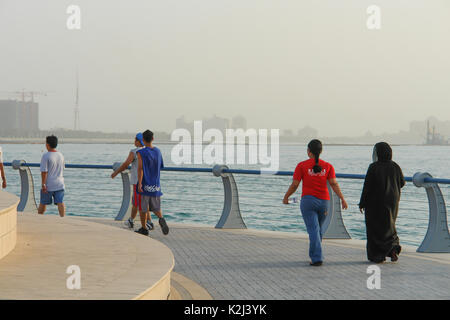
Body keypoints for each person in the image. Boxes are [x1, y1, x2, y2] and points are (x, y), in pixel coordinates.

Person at [283, 139, 348, 266]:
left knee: (313, 230)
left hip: (308, 202)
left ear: (309, 151)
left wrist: (286, 197)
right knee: (318, 230)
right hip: (324, 202)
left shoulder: (301, 165)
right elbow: (334, 183)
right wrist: (342, 199)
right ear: (321, 151)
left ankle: (317, 258)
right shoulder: (328, 166)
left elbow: (295, 184)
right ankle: (315, 255)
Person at [359, 142, 405, 263]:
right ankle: (393, 249)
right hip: (392, 201)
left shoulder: (373, 167)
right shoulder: (395, 166)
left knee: (375, 228)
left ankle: (377, 256)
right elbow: (402, 182)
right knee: (390, 225)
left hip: (375, 203)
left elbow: (367, 187)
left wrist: (362, 203)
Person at [111, 133, 154, 230]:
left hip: (137, 181)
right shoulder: (150, 151)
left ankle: (136, 221)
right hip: (148, 181)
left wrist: (116, 172)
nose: (134, 141)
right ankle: (145, 221)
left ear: (139, 141)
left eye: (135, 139)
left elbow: (126, 164)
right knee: (143, 202)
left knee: (136, 203)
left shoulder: (134, 152)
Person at [136, 130, 169, 236]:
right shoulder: (158, 151)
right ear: (153, 139)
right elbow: (161, 166)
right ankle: (161, 218)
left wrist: (140, 183)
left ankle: (144, 228)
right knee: (156, 207)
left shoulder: (141, 152)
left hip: (145, 184)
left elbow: (140, 169)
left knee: (143, 208)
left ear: (143, 140)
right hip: (156, 184)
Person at [39, 135, 65, 217]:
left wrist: (43, 184)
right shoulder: (60, 155)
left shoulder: (46, 156)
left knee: (43, 203)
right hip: (60, 183)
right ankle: (63, 218)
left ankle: (39, 218)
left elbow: (44, 172)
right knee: (60, 202)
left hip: (49, 184)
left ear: (47, 144)